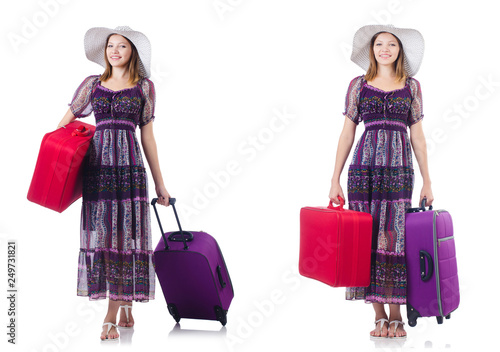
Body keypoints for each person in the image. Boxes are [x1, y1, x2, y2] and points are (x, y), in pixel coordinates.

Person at [57, 26, 170, 341]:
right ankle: (124, 305)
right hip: (98, 170)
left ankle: (111, 315)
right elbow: (65, 124)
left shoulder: (144, 88)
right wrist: (58, 155)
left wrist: (160, 184)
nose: (115, 50)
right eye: (110, 45)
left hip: (129, 169)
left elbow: (147, 136)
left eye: (122, 46)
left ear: (132, 52)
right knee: (105, 237)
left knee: (125, 237)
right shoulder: (92, 85)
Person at [329, 24, 433, 339]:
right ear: (371, 50)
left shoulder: (411, 86)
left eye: (390, 45)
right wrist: (334, 178)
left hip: (399, 168)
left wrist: (428, 180)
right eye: (378, 45)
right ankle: (378, 315)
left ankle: (397, 313)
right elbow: (347, 133)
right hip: (364, 168)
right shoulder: (358, 85)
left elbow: (417, 135)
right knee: (366, 237)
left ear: (399, 51)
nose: (384, 49)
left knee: (394, 236)